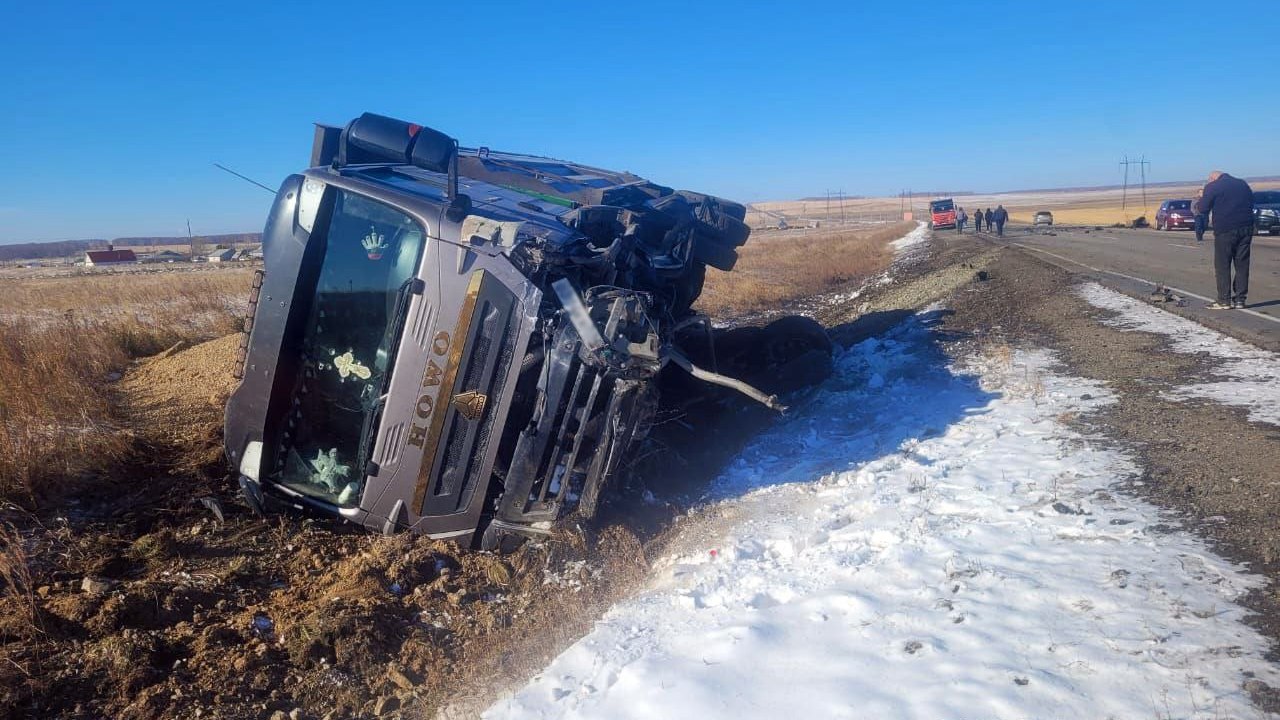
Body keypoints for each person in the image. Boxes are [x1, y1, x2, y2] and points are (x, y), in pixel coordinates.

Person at [1197, 170, 1255, 309]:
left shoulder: (1213, 187)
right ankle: (1240, 299)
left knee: (1223, 264)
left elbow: (1202, 208)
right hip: (1246, 227)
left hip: (1225, 229)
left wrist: (1202, 196)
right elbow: (1251, 202)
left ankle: (1224, 300)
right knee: (1242, 264)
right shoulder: (1242, 184)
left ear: (1212, 178)